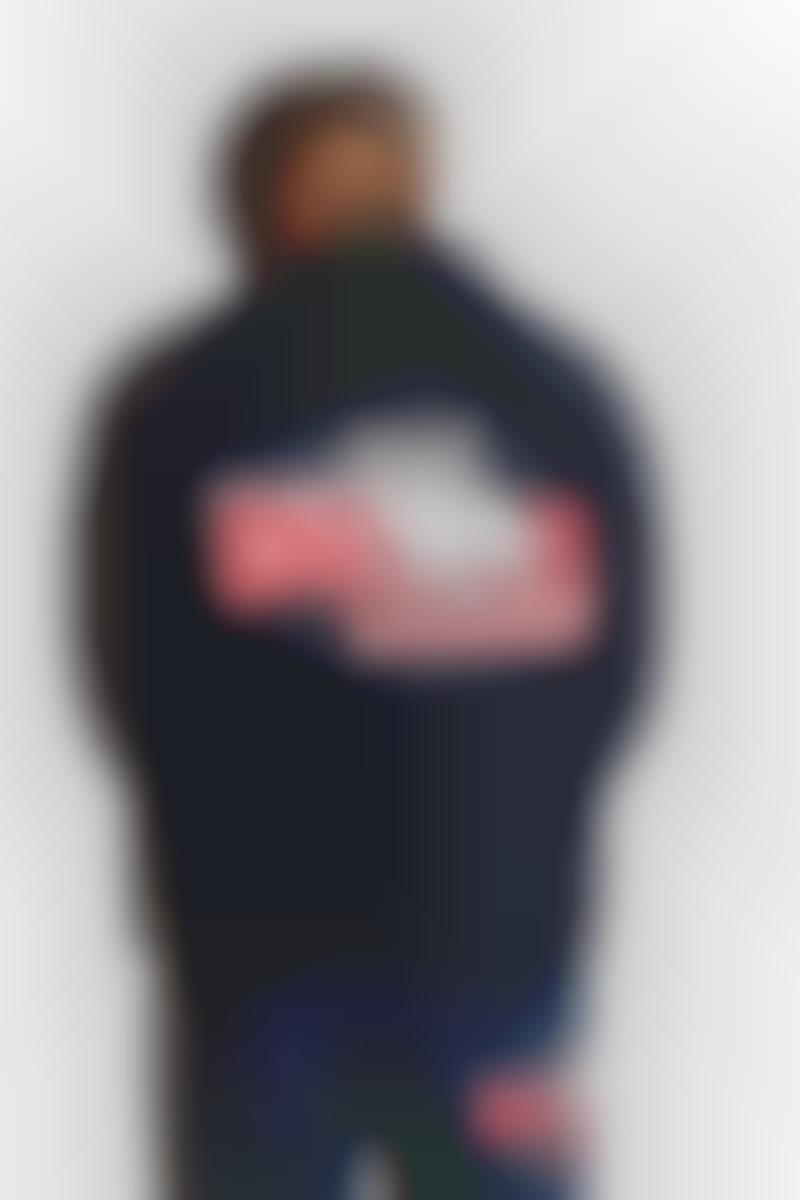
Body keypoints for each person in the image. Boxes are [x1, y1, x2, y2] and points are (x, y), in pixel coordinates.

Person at [87, 69, 645, 1199]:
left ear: (273, 200)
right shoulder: (556, 394)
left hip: (262, 958)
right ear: (416, 187)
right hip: (500, 946)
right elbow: (618, 664)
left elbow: (133, 672)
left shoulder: (189, 399)